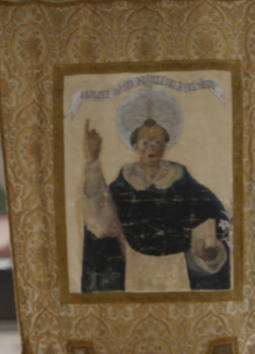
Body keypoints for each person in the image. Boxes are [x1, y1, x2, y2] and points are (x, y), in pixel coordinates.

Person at [81, 108, 231, 293]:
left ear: (165, 145)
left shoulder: (187, 186)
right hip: (133, 270)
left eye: (157, 142)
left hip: (178, 271)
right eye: (145, 142)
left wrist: (209, 252)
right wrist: (93, 161)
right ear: (135, 146)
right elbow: (100, 224)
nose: (151, 147)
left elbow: (216, 225)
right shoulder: (121, 188)